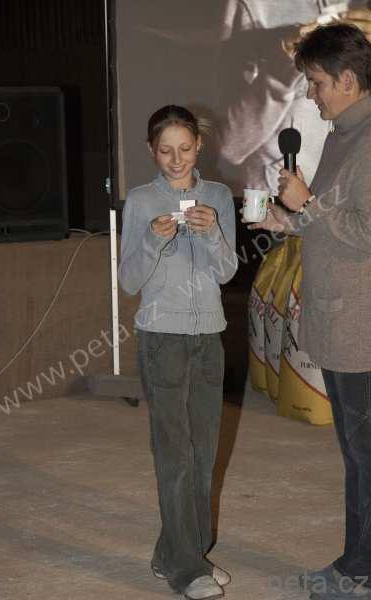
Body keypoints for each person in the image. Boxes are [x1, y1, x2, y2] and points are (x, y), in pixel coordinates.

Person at [246, 23, 371, 600]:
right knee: (357, 456)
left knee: (364, 459)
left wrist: (310, 205)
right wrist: (289, 220)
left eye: (317, 82)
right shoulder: (346, 133)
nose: (311, 94)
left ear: (347, 80)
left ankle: (359, 572)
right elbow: (334, 224)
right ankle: (358, 562)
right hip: (343, 320)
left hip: (363, 328)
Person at [118, 105, 237, 600]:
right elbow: (128, 281)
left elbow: (227, 271)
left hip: (209, 335)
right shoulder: (141, 201)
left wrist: (211, 233)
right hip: (161, 337)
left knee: (203, 452)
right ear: (151, 150)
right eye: (165, 150)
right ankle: (186, 569)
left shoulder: (218, 197)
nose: (176, 159)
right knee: (175, 454)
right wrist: (150, 241)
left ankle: (181, 551)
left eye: (184, 148)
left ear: (199, 146)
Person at [216, 0, 371, 196]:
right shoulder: (254, 7)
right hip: (277, 202)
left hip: (353, 199)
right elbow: (230, 147)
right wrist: (282, 64)